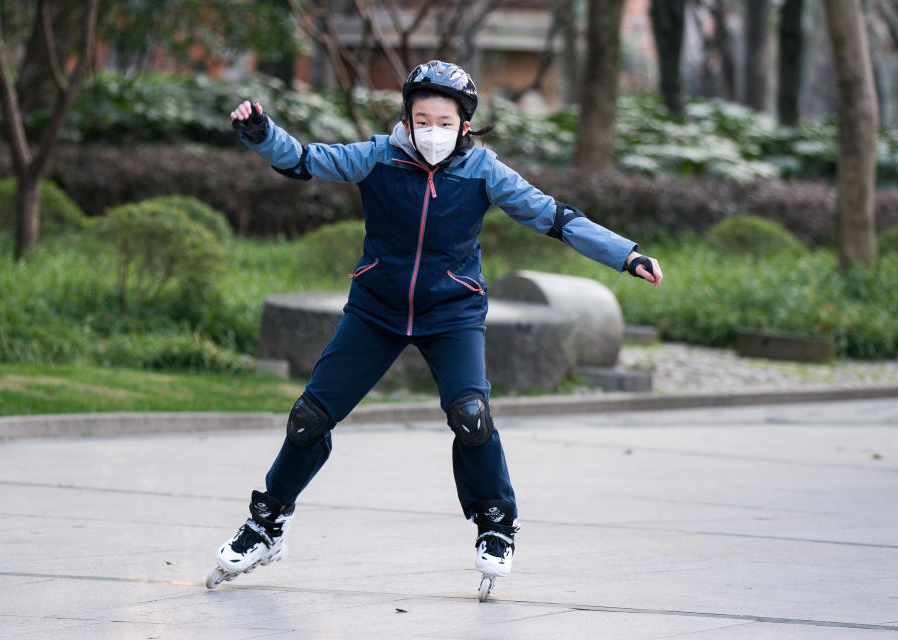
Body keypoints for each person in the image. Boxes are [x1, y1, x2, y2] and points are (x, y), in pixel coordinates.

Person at [207, 60, 663, 592]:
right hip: (376, 308)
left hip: (452, 312)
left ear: (464, 125)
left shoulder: (484, 170)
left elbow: (553, 217)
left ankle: (496, 523)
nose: (433, 131)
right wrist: (262, 134)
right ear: (407, 118)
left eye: (445, 122)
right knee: (309, 417)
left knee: (471, 415)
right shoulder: (376, 155)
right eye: (422, 119)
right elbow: (305, 161)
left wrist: (624, 255)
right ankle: (267, 523)